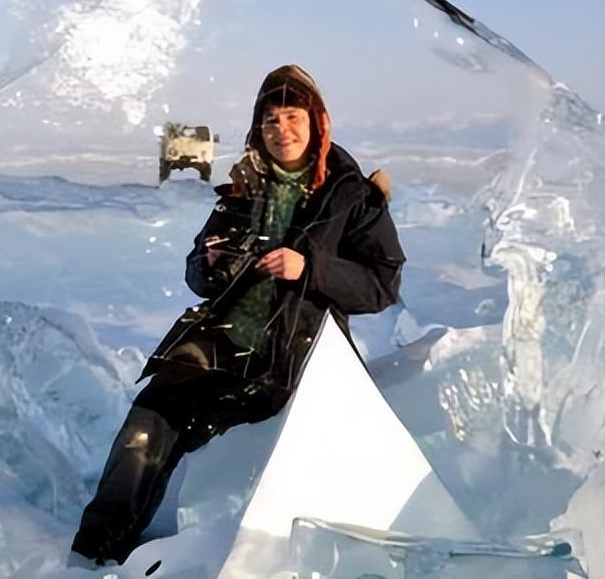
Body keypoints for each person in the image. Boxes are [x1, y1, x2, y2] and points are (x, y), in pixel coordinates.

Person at [70, 64, 405, 565]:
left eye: (293, 117)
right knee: (150, 418)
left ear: (317, 122)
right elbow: (195, 269)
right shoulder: (244, 187)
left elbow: (382, 284)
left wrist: (308, 267)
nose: (282, 130)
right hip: (222, 344)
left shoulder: (352, 196)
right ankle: (95, 555)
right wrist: (209, 264)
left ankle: (238, 559)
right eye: (271, 121)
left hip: (298, 352)